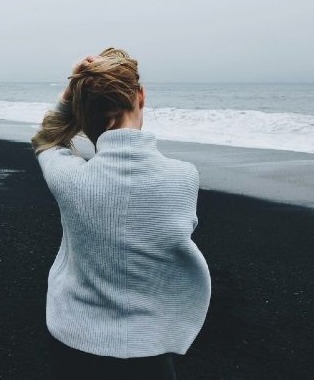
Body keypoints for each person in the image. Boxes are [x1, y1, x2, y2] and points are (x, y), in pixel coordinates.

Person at [31, 47, 211, 380]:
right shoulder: (183, 178)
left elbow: (46, 137)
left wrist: (71, 94)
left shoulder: (70, 178)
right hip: (149, 349)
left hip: (74, 344)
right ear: (140, 96)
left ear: (84, 111)